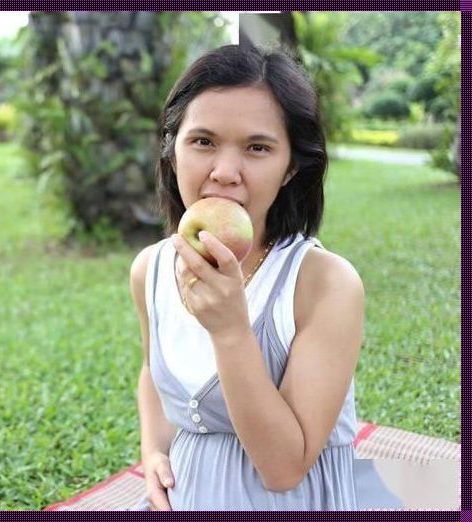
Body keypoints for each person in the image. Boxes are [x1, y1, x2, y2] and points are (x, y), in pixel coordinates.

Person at [128, 44, 401, 510]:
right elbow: (153, 371)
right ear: (173, 151)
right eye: (203, 141)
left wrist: (232, 330)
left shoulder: (325, 284)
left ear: (291, 166)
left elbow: (283, 468)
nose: (225, 172)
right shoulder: (150, 269)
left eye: (257, 148)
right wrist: (153, 449)